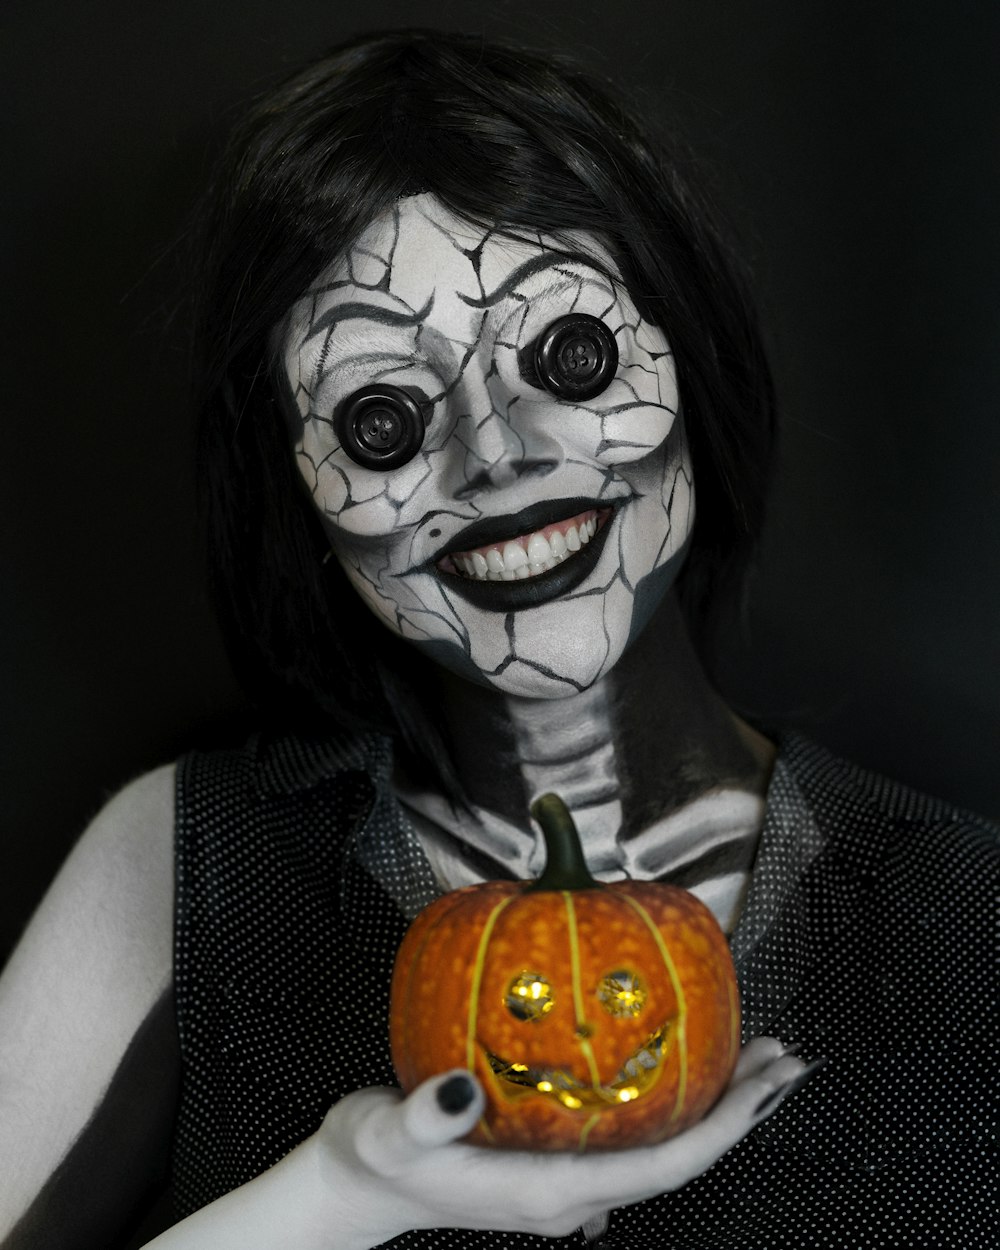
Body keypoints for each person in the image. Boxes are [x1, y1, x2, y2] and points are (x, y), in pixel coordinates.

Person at [1, 28, 995, 1250]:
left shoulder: (969, 911)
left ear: (691, 353)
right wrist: (336, 1195)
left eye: (568, 358)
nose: (498, 454)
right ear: (299, 501)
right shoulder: (181, 865)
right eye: (381, 418)